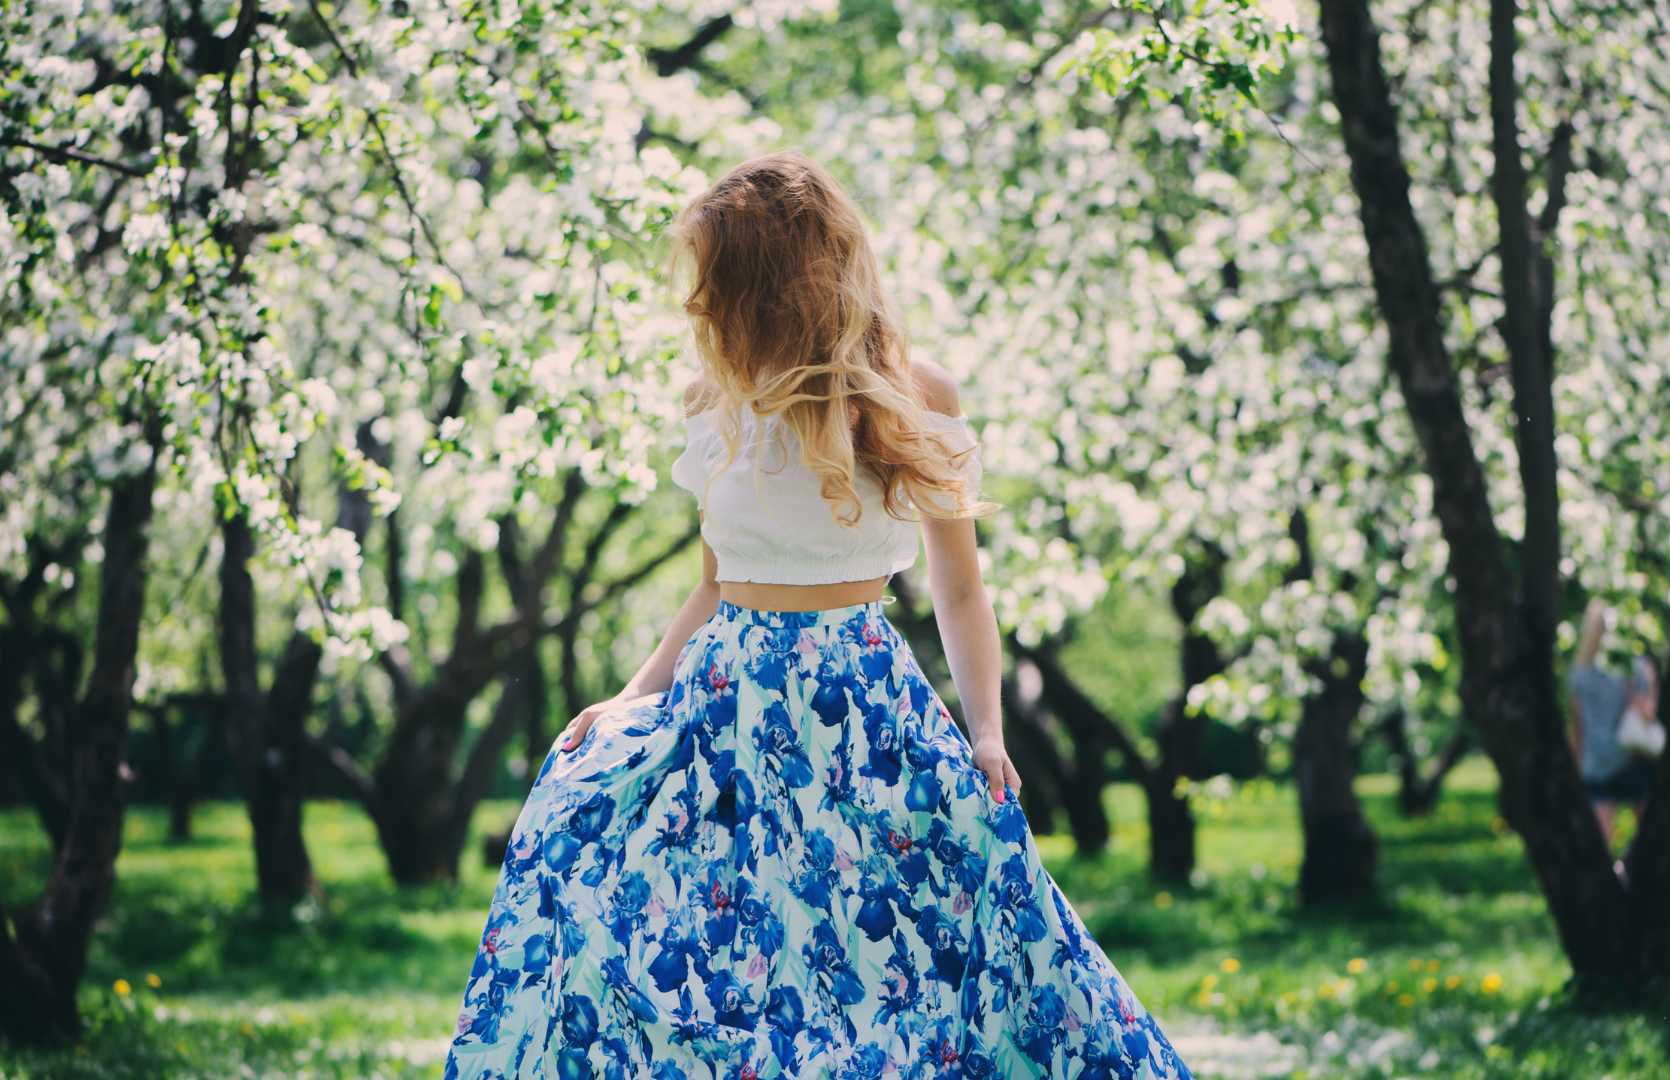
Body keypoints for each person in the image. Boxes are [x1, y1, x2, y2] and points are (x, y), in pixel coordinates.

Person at [443, 151, 1193, 1079]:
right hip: (728, 711)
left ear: (774, 282)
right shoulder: (713, 403)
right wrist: (633, 696)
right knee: (666, 914)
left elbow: (960, 590)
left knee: (902, 960)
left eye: (718, 278)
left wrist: (987, 729)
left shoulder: (915, 396)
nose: (699, 304)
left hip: (862, 710)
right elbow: (717, 585)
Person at [1567, 599, 1657, 849]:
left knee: (1599, 847)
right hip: (1628, 759)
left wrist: (1574, 768)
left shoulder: (1579, 674)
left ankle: (1613, 881)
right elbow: (1648, 714)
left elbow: (1576, 728)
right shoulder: (1638, 669)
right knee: (1649, 839)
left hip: (1596, 764)